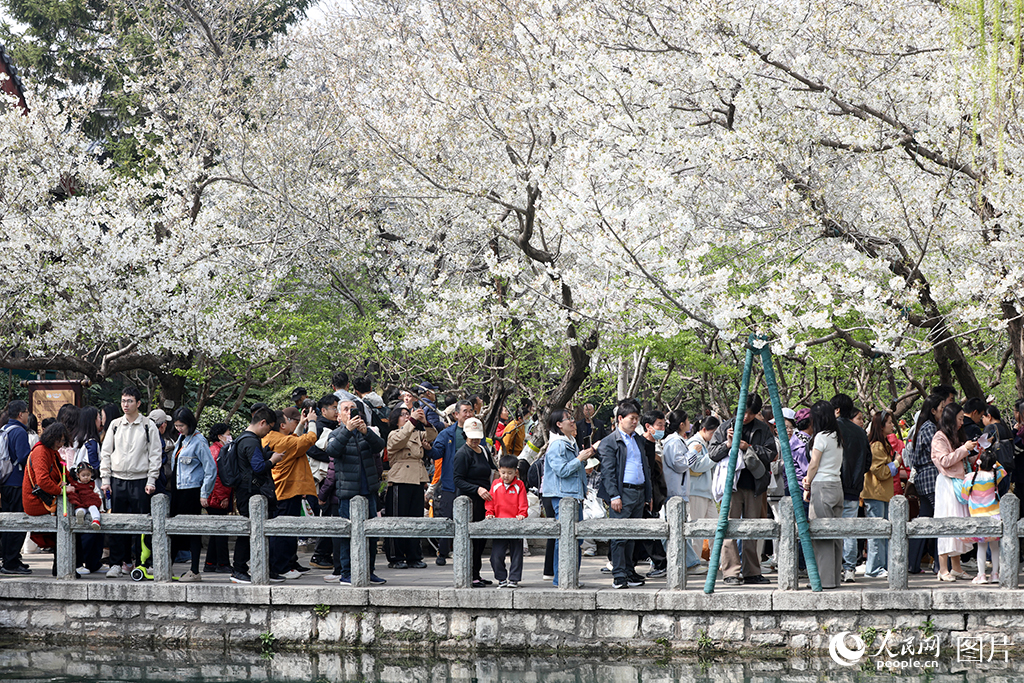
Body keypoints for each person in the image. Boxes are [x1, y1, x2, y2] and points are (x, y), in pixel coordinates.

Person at [709, 393, 776, 586]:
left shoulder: (763, 429)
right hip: (732, 487)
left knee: (753, 529)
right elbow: (712, 453)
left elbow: (772, 453)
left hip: (755, 485)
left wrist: (750, 447)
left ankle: (752, 572)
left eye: (751, 413)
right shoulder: (724, 427)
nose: (746, 417)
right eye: (743, 412)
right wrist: (727, 445)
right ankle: (730, 572)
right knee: (729, 527)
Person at [100, 387, 163, 578]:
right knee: (118, 523)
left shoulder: (148, 425)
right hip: (118, 479)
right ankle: (119, 562)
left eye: (129, 401)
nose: (125, 405)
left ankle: (143, 562)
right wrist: (105, 478)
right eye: (123, 401)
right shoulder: (115, 424)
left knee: (142, 524)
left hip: (141, 479)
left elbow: (155, 454)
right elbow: (106, 452)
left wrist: (152, 479)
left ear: (138, 403)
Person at [323, 399, 388, 585]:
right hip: (348, 494)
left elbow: (379, 446)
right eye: (346, 409)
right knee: (347, 536)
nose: (350, 411)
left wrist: (365, 431)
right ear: (340, 415)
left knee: (371, 534)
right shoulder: (336, 433)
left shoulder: (367, 431)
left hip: (369, 491)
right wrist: (348, 429)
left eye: (353, 408)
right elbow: (333, 451)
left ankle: (369, 571)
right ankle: (347, 573)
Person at [598, 400, 652, 589]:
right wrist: (614, 496)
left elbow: (644, 467)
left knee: (632, 535)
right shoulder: (609, 442)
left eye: (637, 418)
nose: (635, 422)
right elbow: (608, 472)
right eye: (632, 418)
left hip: (638, 492)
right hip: (622, 493)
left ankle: (629, 571)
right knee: (619, 536)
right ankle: (619, 574)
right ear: (620, 418)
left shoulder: (637, 440)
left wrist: (648, 494)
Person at [230, 405, 283, 584]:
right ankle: (239, 569)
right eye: (269, 427)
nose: (269, 431)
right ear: (262, 422)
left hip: (247, 492)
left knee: (253, 531)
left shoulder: (242, 439)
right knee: (249, 531)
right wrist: (273, 460)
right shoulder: (251, 441)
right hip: (250, 494)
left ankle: (258, 569)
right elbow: (258, 467)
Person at [542, 409, 595, 586]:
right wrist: (580, 458)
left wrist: (586, 456)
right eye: (569, 419)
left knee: (575, 538)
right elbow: (562, 470)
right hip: (562, 496)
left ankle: (570, 578)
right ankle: (561, 579)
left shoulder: (569, 441)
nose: (573, 421)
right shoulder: (557, 444)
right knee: (565, 539)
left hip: (573, 495)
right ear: (559, 424)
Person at [265, 406, 316, 581]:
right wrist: (313, 421)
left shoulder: (270, 438)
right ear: (281, 425)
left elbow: (296, 441)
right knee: (283, 533)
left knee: (283, 532)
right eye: (289, 422)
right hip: (286, 492)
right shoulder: (283, 442)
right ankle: (280, 566)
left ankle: (286, 564)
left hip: (282, 491)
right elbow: (308, 440)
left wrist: (301, 423)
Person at [385, 404, 436, 569]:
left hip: (417, 478)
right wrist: (413, 420)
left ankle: (414, 555)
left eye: (408, 414)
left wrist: (425, 421)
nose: (407, 417)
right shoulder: (394, 434)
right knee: (398, 520)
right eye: (403, 415)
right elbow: (399, 440)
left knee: (416, 520)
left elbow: (432, 435)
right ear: (395, 419)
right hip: (400, 478)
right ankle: (395, 556)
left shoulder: (416, 433)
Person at [802, 400, 845, 589]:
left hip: (821, 486)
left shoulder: (820, 437)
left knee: (822, 536)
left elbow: (814, 463)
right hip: (837, 486)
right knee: (835, 535)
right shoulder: (837, 436)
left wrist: (807, 483)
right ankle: (834, 578)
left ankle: (824, 581)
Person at [931, 402, 976, 581]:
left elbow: (961, 458)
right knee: (946, 524)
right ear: (950, 418)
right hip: (947, 484)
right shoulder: (939, 437)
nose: (961, 422)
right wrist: (964, 449)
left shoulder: (955, 435)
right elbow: (945, 461)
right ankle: (943, 569)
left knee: (958, 524)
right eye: (959, 419)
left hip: (958, 482)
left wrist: (976, 450)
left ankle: (956, 567)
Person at [452, 417, 496, 588]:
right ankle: (469, 573)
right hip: (470, 500)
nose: (476, 440)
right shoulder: (462, 454)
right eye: (472, 437)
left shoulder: (484, 450)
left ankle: (477, 572)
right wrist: (476, 489)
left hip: (486, 499)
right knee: (471, 539)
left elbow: (493, 469)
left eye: (478, 436)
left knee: (480, 539)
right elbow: (458, 480)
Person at [830, 393, 869, 584]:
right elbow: (867, 462)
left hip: (833, 485)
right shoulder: (860, 432)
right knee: (849, 529)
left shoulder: (831, 430)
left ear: (836, 410)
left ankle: (834, 568)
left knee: (831, 528)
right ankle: (850, 569)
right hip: (854, 487)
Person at [431, 400, 476, 565]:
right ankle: (442, 552)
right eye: (465, 411)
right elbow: (436, 453)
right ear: (456, 414)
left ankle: (468, 551)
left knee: (470, 519)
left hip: (471, 483)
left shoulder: (477, 432)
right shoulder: (447, 433)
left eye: (471, 411)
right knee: (446, 518)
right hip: (450, 482)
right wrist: (428, 448)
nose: (469, 414)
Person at [23, 423, 72, 575]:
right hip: (37, 501)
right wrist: (61, 489)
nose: (61, 444)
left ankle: (62, 567)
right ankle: (63, 568)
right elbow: (43, 481)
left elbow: (64, 471)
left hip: (48, 498)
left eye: (63, 441)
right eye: (59, 440)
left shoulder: (52, 451)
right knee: (68, 523)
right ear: (51, 437)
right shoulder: (41, 451)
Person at [661, 410, 706, 573]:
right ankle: (689, 563)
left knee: (677, 527)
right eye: (687, 421)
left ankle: (688, 562)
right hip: (675, 493)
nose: (690, 424)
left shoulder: (677, 441)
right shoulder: (674, 442)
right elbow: (680, 464)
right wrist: (694, 451)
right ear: (681, 424)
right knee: (675, 528)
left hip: (678, 492)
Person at [954, 450, 1006, 584]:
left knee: (981, 547)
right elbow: (1003, 470)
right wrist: (994, 462)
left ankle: (981, 575)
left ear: (979, 463)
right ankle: (995, 574)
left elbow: (964, 497)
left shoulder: (970, 478)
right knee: (995, 547)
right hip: (995, 516)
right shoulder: (996, 475)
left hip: (978, 518)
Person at [907, 394, 943, 574]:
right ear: (933, 410)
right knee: (938, 521)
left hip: (923, 477)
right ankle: (940, 566)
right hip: (931, 476)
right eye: (942, 409)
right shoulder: (929, 427)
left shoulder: (920, 427)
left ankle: (913, 564)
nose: (943, 413)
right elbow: (936, 450)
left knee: (923, 521)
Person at [863, 412, 899, 578]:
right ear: (881, 425)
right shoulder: (876, 445)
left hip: (882, 494)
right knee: (877, 533)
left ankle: (880, 566)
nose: (892, 425)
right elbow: (880, 471)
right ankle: (874, 568)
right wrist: (896, 463)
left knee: (883, 532)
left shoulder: (882, 443)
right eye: (889, 423)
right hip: (875, 494)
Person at [307, 394, 341, 570]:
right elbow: (311, 448)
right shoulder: (319, 426)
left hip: (329, 475)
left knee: (329, 515)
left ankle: (323, 554)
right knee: (327, 515)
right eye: (334, 408)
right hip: (323, 477)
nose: (337, 411)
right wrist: (332, 456)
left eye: (337, 407)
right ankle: (320, 554)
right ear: (323, 410)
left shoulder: (333, 425)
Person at [486, 454, 529, 588]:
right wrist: (489, 513)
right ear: (499, 470)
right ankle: (501, 578)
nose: (506, 476)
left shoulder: (519, 485)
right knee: (496, 556)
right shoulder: (495, 484)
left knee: (517, 554)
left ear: (515, 472)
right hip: (499, 524)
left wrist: (522, 514)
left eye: (510, 473)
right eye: (503, 472)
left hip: (515, 523)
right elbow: (490, 501)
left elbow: (523, 502)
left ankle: (514, 579)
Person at [684, 414, 721, 567]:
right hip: (696, 491)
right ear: (705, 429)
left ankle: (716, 559)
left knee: (715, 526)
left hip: (706, 492)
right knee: (696, 530)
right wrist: (714, 457)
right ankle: (695, 561)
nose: (714, 437)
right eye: (713, 433)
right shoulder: (694, 442)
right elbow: (695, 466)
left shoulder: (704, 443)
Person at [635, 410, 668, 578]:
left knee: (647, 530)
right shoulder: (641, 444)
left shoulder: (651, 444)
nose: (662, 428)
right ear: (648, 427)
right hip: (644, 494)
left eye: (664, 425)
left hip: (649, 494)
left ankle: (661, 563)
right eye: (659, 425)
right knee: (646, 530)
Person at [1, 400, 32, 574]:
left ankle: (8, 558)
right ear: (21, 414)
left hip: (5, 481)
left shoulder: (4, 429)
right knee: (18, 523)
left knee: (7, 524)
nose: (28, 415)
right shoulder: (19, 431)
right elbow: (23, 457)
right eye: (26, 412)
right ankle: (11, 563)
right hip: (16, 483)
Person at [204, 422, 233, 573]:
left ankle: (210, 562)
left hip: (214, 496)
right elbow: (216, 478)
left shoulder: (216, 449)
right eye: (228, 433)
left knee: (216, 531)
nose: (230, 436)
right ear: (220, 436)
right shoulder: (218, 451)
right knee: (221, 531)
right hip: (217, 497)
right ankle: (222, 563)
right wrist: (223, 497)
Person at [981, 405, 1015, 495]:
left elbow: (983, 447)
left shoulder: (990, 428)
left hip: (995, 471)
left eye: (983, 417)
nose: (982, 420)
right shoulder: (1005, 428)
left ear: (989, 416)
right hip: (1006, 471)